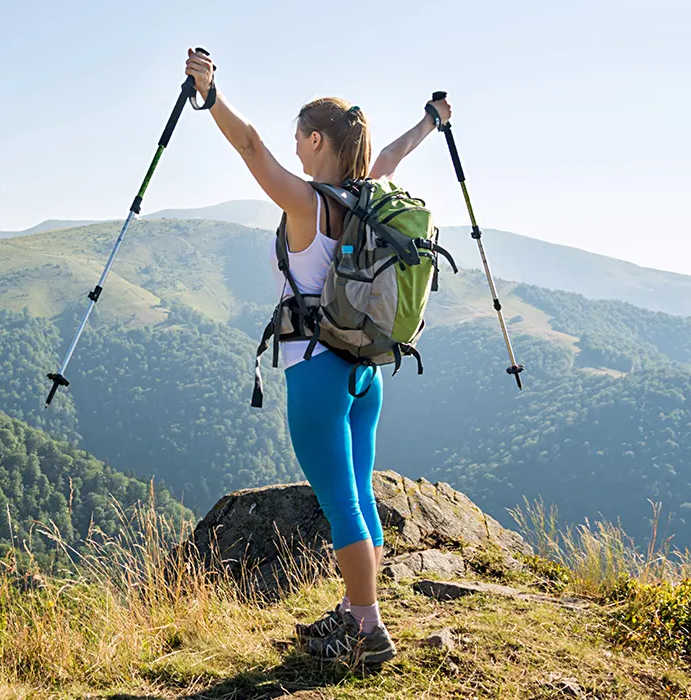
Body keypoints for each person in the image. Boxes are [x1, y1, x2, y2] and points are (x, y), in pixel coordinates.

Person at [185, 49, 451, 664]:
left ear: (316, 138)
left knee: (341, 502)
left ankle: (367, 629)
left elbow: (250, 148)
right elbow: (394, 155)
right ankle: (355, 612)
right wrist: (431, 122)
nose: (293, 151)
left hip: (317, 372)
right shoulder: (368, 196)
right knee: (355, 492)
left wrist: (211, 93)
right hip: (364, 373)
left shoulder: (308, 205)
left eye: (299, 141)